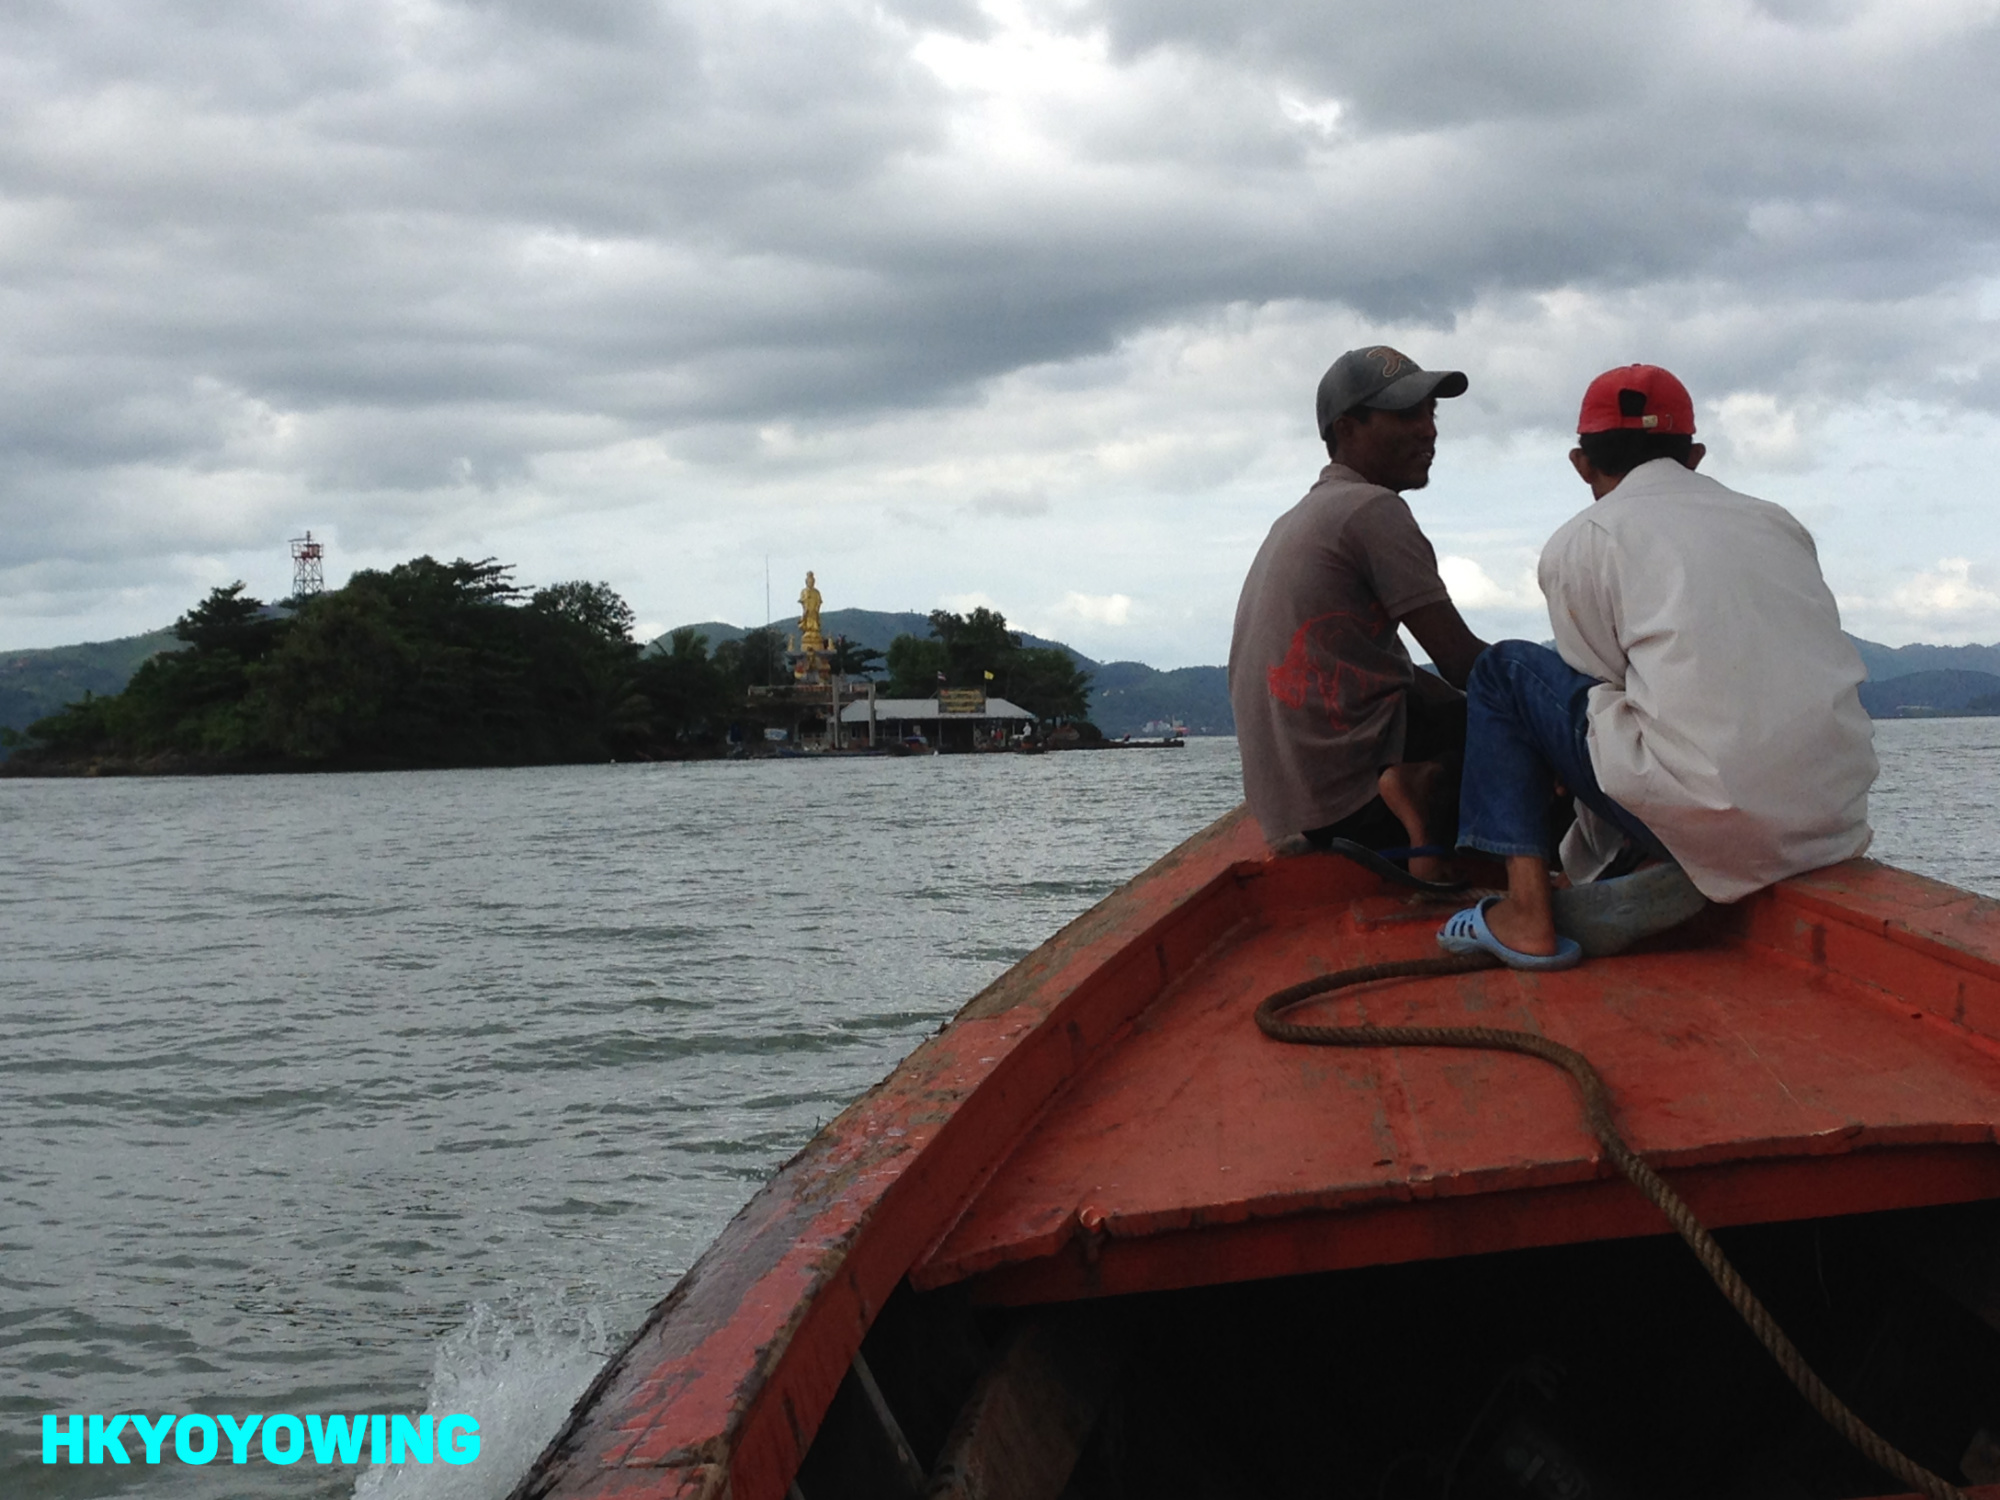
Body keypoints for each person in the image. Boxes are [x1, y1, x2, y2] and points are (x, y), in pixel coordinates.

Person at [1441, 364, 1877, 969]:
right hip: (1831, 819)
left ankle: (1527, 913)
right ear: (1694, 455)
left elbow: (1601, 691)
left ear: (1580, 464)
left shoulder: (1586, 538)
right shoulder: (1778, 521)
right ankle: (1670, 861)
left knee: (1502, 671)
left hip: (1717, 818)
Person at [1229, 346, 1489, 877]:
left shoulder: (1304, 516)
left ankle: (1417, 790)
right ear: (1346, 429)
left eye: (1430, 413)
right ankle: (1421, 799)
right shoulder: (1372, 510)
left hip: (1295, 816)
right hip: (1357, 809)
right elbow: (1464, 663)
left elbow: (1409, 679)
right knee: (1535, 721)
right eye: (1405, 415)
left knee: (1478, 708)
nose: (1428, 431)